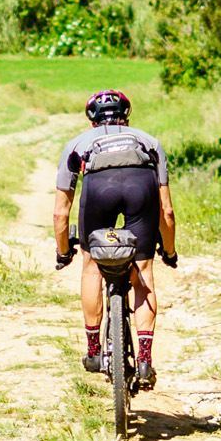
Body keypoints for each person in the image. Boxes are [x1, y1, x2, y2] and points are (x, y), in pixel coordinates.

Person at [52, 89, 177, 389]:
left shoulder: (77, 144)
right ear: (127, 117)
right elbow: (167, 211)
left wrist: (63, 251)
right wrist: (169, 252)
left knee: (92, 266)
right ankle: (145, 360)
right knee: (143, 272)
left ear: (92, 121)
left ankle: (94, 351)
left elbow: (60, 213)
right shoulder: (149, 142)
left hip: (98, 190)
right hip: (140, 186)